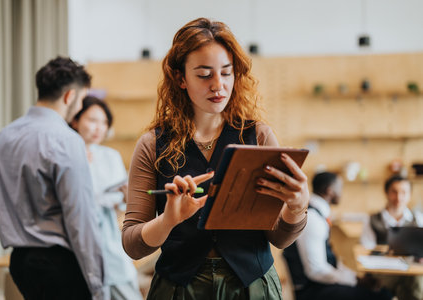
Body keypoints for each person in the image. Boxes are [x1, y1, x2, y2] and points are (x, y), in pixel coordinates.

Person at [122, 17, 310, 299]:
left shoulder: (257, 136)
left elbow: (279, 239)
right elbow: (133, 245)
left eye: (226, 72)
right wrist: (168, 220)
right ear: (180, 78)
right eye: (204, 74)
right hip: (178, 288)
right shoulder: (153, 144)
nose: (218, 85)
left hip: (251, 286)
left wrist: (296, 208)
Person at [0, 57, 107, 300]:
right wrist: (97, 285)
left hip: (20, 262)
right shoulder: (66, 140)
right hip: (60, 264)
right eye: (82, 100)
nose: (80, 107)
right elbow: (80, 219)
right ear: (69, 96)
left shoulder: (4, 136)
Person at [71, 96, 143, 300]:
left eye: (104, 123)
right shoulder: (67, 156)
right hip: (78, 242)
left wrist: (127, 196)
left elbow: (121, 205)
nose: (99, 128)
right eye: (92, 120)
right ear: (75, 121)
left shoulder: (110, 156)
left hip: (109, 239)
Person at [283, 172, 392, 300]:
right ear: (330, 191)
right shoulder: (313, 219)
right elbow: (316, 271)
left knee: (380, 291)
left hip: (319, 285)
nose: (342, 192)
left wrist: (355, 278)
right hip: (311, 291)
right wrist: (355, 281)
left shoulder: (318, 213)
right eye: (340, 187)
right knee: (382, 296)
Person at [360, 175, 423, 300]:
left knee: (417, 284)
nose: (399, 197)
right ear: (387, 193)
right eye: (394, 192)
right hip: (383, 271)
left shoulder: (418, 219)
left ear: (409, 195)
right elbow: (366, 249)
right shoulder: (372, 219)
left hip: (411, 271)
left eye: (404, 192)